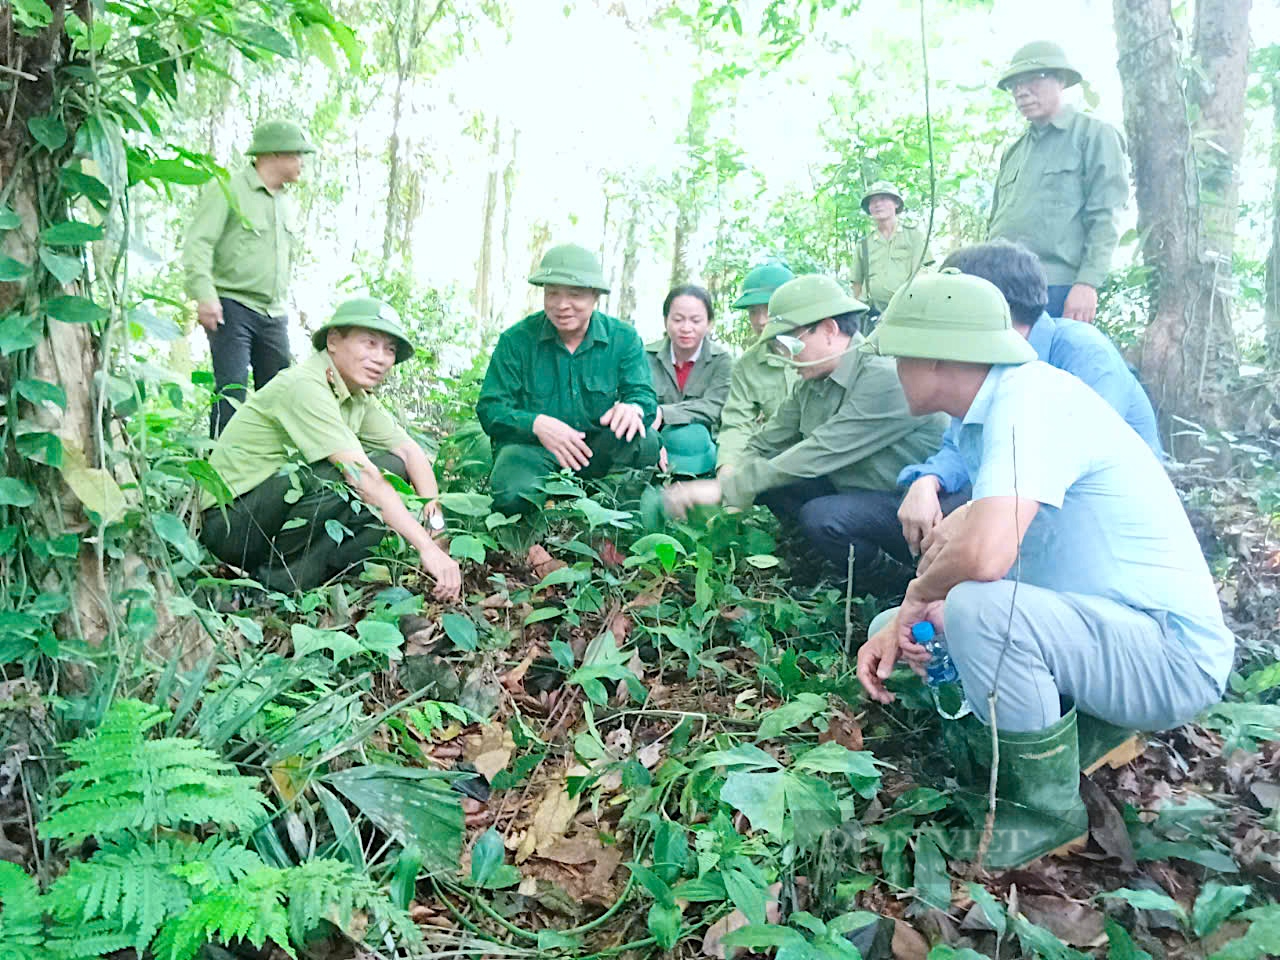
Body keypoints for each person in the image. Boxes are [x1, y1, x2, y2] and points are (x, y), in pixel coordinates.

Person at [855, 270, 1232, 868]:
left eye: (900, 354)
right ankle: (1083, 732)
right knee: (923, 621)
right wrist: (910, 614)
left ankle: (1044, 816)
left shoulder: (1029, 402)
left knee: (974, 609)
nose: (893, 369)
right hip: (1106, 628)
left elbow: (984, 559)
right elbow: (991, 555)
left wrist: (917, 598)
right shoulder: (992, 411)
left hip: (1169, 653)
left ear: (937, 358)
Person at [886, 240, 1163, 569]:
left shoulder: (1080, 351)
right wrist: (928, 480)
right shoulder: (984, 367)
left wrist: (974, 514)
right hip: (1023, 507)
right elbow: (962, 442)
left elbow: (1068, 453)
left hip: (1102, 526)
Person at [662, 274, 946, 591]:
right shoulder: (812, 384)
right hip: (856, 491)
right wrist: (730, 480)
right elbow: (765, 443)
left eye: (791, 343)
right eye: (779, 345)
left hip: (913, 509)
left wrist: (724, 489)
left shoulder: (883, 377)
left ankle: (887, 580)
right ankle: (822, 558)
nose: (786, 355)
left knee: (820, 514)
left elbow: (819, 452)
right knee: (772, 482)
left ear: (829, 329)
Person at [199, 298, 461, 600]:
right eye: (370, 343)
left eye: (389, 349)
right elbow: (359, 474)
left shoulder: (356, 395)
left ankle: (321, 577)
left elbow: (409, 453)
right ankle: (272, 589)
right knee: (343, 476)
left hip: (269, 512)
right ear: (334, 341)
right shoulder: (304, 385)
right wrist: (426, 548)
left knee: (392, 468)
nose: (381, 358)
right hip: (230, 524)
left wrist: (435, 528)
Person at [477, 244, 660, 515]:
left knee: (646, 442)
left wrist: (633, 408)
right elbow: (490, 408)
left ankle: (612, 511)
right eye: (552, 294)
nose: (562, 306)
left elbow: (643, 396)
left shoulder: (623, 338)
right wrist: (536, 424)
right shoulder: (516, 341)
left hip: (597, 451)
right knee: (510, 491)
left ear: (595, 296)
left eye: (575, 295)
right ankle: (539, 520)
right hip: (535, 451)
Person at [184, 119, 314, 436]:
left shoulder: (286, 203)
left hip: (274, 313)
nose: (301, 163)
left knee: (280, 396)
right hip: (232, 306)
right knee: (231, 394)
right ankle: (218, 477)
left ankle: (267, 476)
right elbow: (198, 243)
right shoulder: (228, 189)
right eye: (296, 154)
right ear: (272, 154)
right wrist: (205, 294)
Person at [987, 41, 1128, 323]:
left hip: (1054, 288)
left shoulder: (1093, 135)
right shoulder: (1014, 152)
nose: (1021, 92)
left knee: (1047, 365)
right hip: (1000, 287)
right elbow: (995, 221)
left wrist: (1087, 284)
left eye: (1032, 80)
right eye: (1014, 85)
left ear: (1060, 80)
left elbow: (1106, 214)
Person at [717, 261, 797, 473]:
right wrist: (727, 472)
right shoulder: (747, 365)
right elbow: (737, 424)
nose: (761, 321)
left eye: (769, 310)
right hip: (778, 459)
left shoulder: (822, 349)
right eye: (753, 311)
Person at [645, 284, 733, 476]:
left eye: (695, 320)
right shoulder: (645, 357)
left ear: (709, 323)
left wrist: (663, 412)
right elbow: (636, 402)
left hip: (702, 451)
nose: (686, 328)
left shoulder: (722, 361)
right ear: (665, 320)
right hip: (654, 447)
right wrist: (653, 441)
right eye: (678, 319)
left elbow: (715, 406)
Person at [849, 181, 928, 322]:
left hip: (906, 314)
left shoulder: (914, 236)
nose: (878, 205)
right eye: (872, 202)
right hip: (872, 316)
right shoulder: (864, 244)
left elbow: (921, 275)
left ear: (896, 203)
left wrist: (900, 305)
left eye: (883, 199)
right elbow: (857, 285)